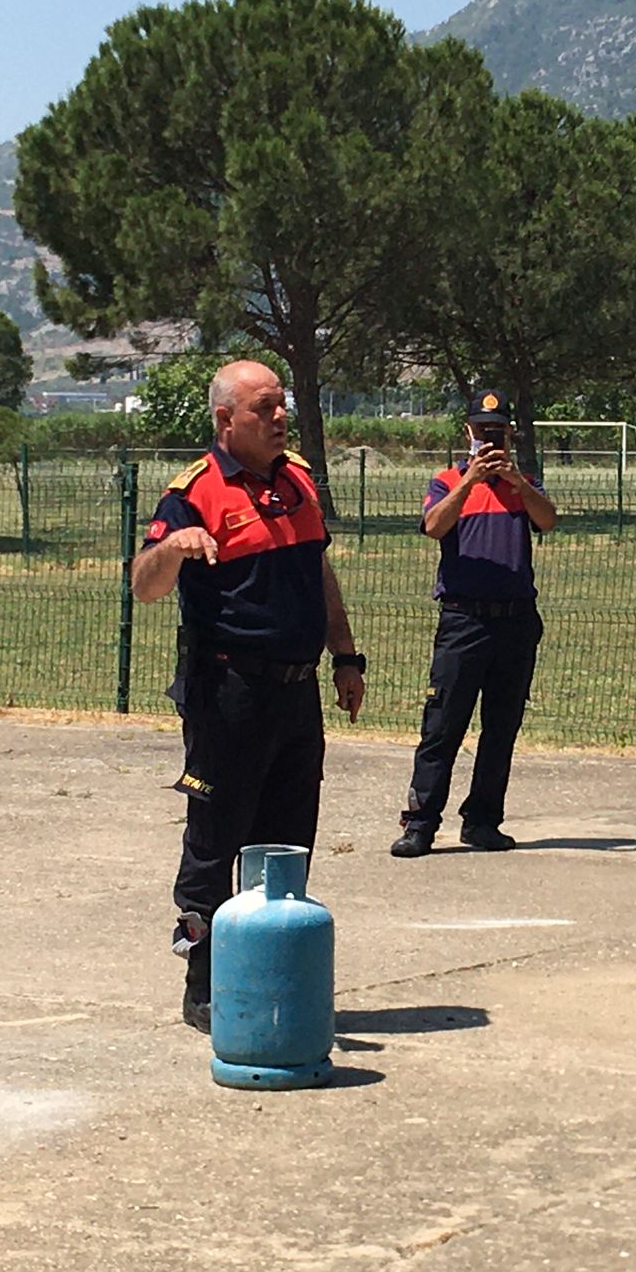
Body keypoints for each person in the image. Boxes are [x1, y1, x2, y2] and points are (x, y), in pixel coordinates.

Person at [132, 360, 366, 1032]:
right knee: (216, 843)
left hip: (297, 693)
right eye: (264, 408)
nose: (279, 416)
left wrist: (345, 655)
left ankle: (270, 976)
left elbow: (318, 572)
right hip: (229, 694)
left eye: (281, 404)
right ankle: (204, 984)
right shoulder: (193, 493)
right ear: (225, 419)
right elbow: (144, 586)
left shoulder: (298, 480)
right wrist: (174, 549)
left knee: (286, 845)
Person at [391, 391, 558, 858]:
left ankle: (483, 820)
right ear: (468, 432)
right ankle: (420, 823)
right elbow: (433, 526)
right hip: (463, 620)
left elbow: (548, 520)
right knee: (443, 724)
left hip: (515, 621)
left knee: (501, 728)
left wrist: (517, 482)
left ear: (510, 434)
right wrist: (470, 481)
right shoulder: (447, 480)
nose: (489, 439)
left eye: (497, 431)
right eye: (482, 430)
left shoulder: (525, 483)